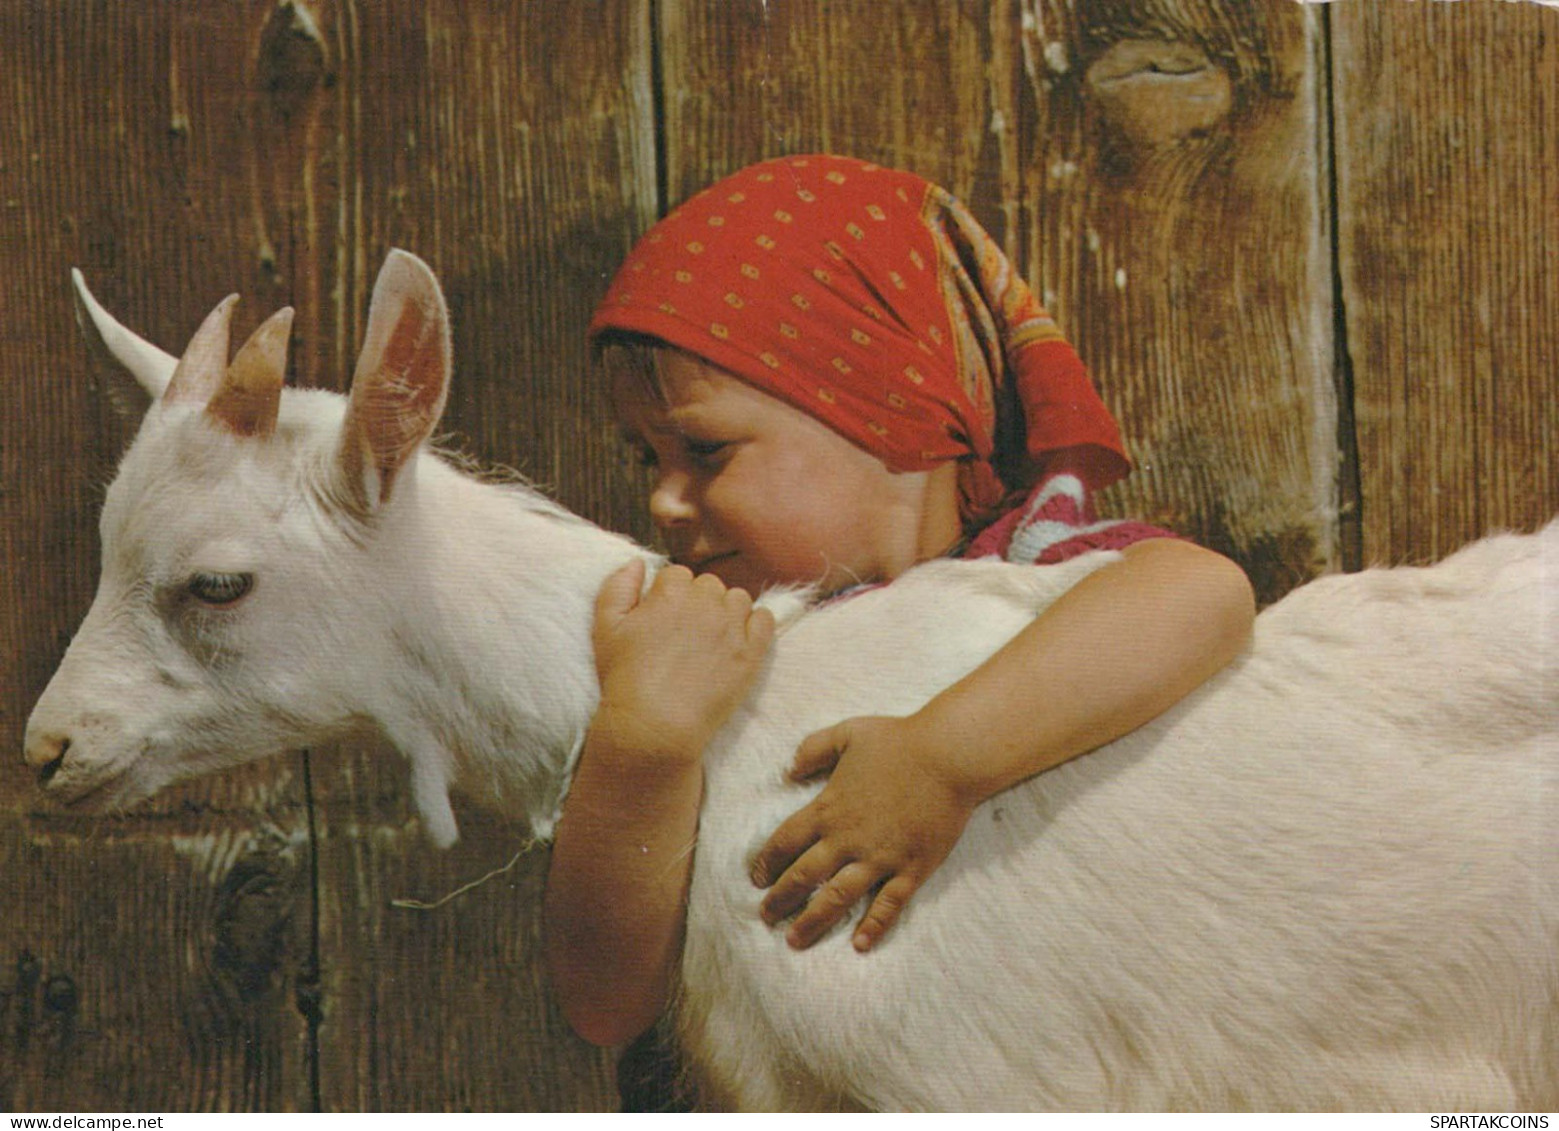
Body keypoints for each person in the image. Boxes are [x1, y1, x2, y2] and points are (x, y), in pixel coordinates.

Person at [543, 155, 1255, 1098]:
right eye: (647, 457)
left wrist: (940, 760)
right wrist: (642, 744)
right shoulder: (709, 657)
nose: (663, 498)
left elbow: (1203, 593)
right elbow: (605, 1003)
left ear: (892, 413)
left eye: (704, 450)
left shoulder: (1035, 574)